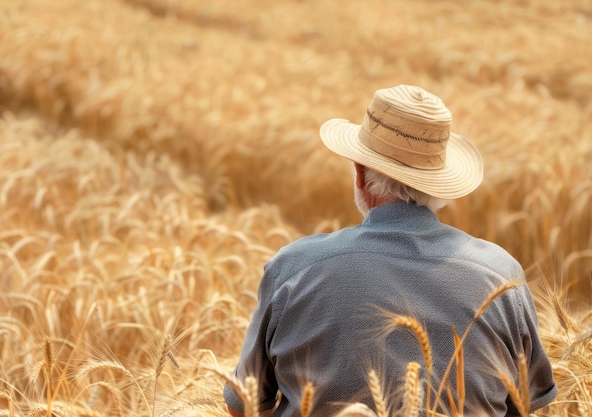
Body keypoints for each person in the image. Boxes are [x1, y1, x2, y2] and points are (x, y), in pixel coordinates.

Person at [223, 85, 557, 417]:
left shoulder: (293, 269)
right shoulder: (502, 275)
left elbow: (245, 405)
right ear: (438, 183)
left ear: (359, 173)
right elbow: (525, 404)